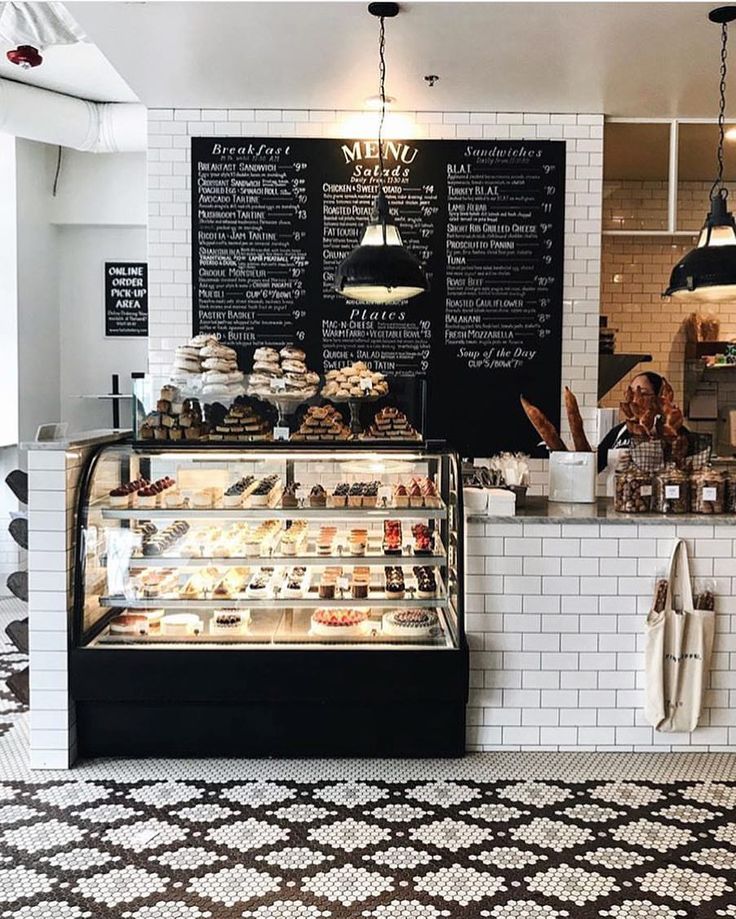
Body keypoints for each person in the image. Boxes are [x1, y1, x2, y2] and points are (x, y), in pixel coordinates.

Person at [597, 371, 696, 473]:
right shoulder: (619, 431)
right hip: (621, 488)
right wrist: (612, 457)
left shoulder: (677, 433)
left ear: (659, 398)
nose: (635, 400)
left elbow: (691, 470)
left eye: (643, 393)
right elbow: (596, 464)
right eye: (632, 394)